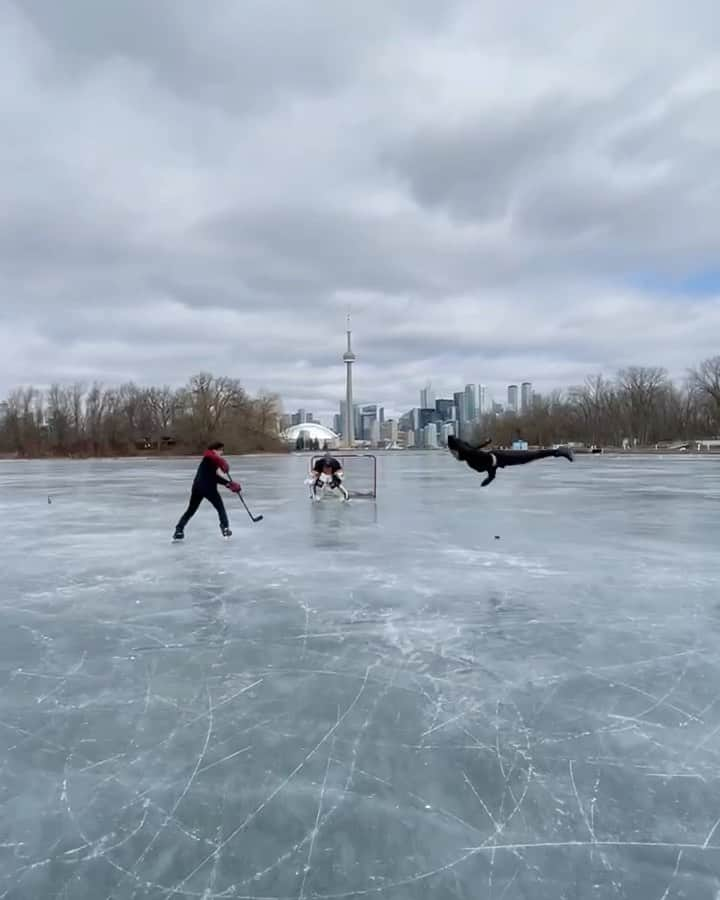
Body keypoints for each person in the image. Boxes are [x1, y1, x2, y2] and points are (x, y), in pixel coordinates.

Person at [173, 441, 241, 540]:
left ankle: (179, 530)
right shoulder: (212, 459)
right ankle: (225, 528)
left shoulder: (207, 459)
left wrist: (228, 483)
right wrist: (228, 483)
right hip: (208, 488)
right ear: (215, 450)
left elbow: (211, 475)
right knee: (220, 508)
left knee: (191, 510)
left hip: (197, 487)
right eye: (221, 450)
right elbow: (213, 477)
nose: (222, 452)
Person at [447, 435, 574, 486]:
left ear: (459, 451)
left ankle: (560, 451)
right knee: (529, 457)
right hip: (501, 460)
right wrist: (490, 478)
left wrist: (490, 477)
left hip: (502, 456)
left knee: (531, 455)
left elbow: (474, 451)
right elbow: (490, 466)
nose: (453, 456)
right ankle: (559, 452)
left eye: (453, 453)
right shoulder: (471, 461)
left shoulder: (470, 456)